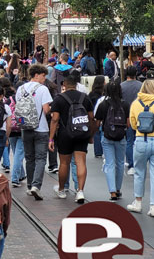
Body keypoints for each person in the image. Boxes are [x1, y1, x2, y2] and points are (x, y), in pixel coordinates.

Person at [49, 72, 94, 203]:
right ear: (76, 84)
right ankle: (80, 191)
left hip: (65, 134)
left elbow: (55, 119)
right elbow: (91, 117)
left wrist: (51, 138)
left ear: (64, 84)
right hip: (81, 133)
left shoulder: (59, 99)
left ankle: (62, 190)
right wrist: (90, 134)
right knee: (81, 162)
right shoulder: (85, 98)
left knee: (64, 163)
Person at [16, 64, 53, 200]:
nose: (45, 78)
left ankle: (30, 185)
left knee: (29, 157)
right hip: (41, 128)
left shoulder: (20, 88)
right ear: (36, 75)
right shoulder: (43, 89)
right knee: (41, 158)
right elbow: (46, 110)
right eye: (43, 76)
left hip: (25, 127)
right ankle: (36, 186)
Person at [95, 81, 129, 201]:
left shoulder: (103, 104)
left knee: (109, 164)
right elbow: (128, 124)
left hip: (107, 136)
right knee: (120, 163)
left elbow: (97, 122)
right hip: (121, 137)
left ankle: (112, 191)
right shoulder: (125, 105)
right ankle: (118, 189)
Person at [127, 79, 154, 215]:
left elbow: (132, 124)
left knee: (139, 172)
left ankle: (138, 203)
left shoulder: (136, 103)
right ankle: (153, 206)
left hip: (140, 140)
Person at [121, 66, 142, 176]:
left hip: (127, 116)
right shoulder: (140, 85)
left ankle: (131, 164)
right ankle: (139, 163)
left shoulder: (122, 86)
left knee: (129, 141)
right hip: (140, 116)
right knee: (138, 140)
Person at [88, 75, 107, 159]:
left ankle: (98, 151)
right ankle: (103, 150)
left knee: (96, 132)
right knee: (101, 132)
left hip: (93, 115)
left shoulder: (91, 94)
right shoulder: (103, 94)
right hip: (102, 115)